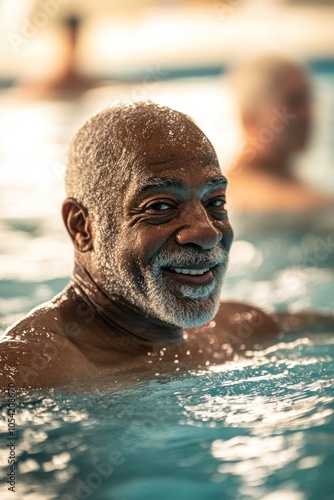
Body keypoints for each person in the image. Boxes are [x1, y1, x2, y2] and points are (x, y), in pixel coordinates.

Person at [0, 102, 332, 390]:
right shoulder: (28, 374)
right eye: (160, 206)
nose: (207, 233)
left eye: (215, 202)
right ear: (82, 227)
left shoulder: (236, 331)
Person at [227, 56, 334, 213]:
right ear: (250, 119)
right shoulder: (239, 192)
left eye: (308, 100)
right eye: (293, 102)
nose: (309, 115)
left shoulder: (291, 180)